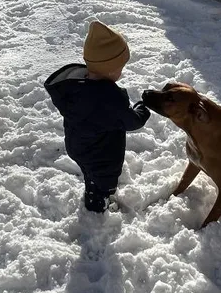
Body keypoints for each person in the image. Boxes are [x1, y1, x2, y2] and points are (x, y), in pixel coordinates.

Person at [45, 20, 150, 213]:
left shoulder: (77, 85)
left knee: (89, 172)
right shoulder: (107, 99)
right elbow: (131, 121)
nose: (121, 72)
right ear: (109, 69)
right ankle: (97, 206)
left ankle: (92, 188)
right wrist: (142, 109)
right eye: (120, 68)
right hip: (100, 154)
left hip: (78, 144)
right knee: (102, 181)